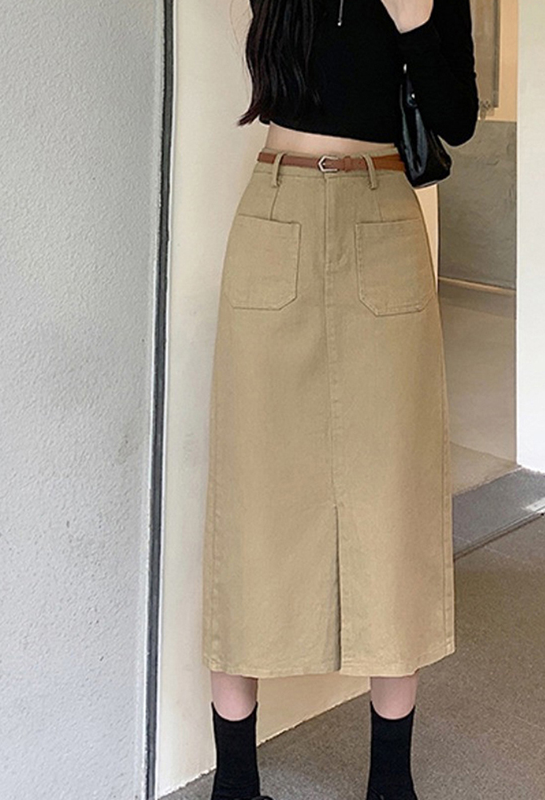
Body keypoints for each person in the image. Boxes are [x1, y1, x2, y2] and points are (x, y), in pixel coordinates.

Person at [202, 0, 479, 798]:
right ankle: (236, 779)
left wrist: (416, 21)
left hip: (382, 215)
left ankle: (390, 778)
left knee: (393, 500)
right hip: (277, 209)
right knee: (252, 499)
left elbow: (457, 118)